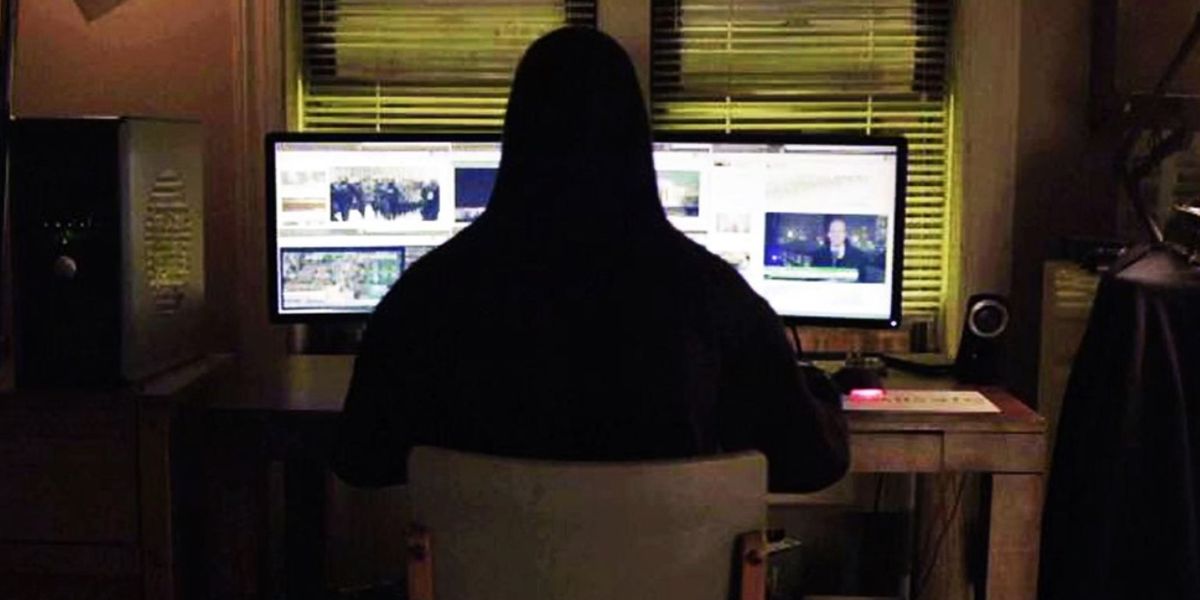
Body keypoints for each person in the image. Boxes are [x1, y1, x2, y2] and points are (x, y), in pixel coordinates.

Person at [332, 27, 848, 493]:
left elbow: (361, 460)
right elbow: (809, 464)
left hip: (482, 567)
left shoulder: (429, 293)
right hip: (659, 567)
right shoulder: (714, 295)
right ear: (637, 141)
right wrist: (819, 392)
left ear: (516, 136)